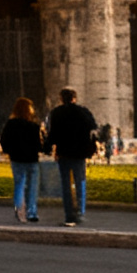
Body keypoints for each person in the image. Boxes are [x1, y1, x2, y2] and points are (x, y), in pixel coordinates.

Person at [44, 87, 100, 228]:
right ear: (74, 98)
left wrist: (47, 148)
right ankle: (80, 212)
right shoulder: (83, 112)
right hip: (80, 152)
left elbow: (52, 134)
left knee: (66, 185)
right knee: (80, 181)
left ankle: (69, 213)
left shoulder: (56, 113)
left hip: (64, 152)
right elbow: (93, 127)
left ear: (61, 99)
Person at [0, 97, 45, 224]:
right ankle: (32, 212)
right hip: (31, 159)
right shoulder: (34, 126)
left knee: (19, 185)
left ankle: (20, 211)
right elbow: (39, 145)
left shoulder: (10, 124)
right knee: (32, 187)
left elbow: (3, 140)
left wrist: (9, 151)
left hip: (16, 159)